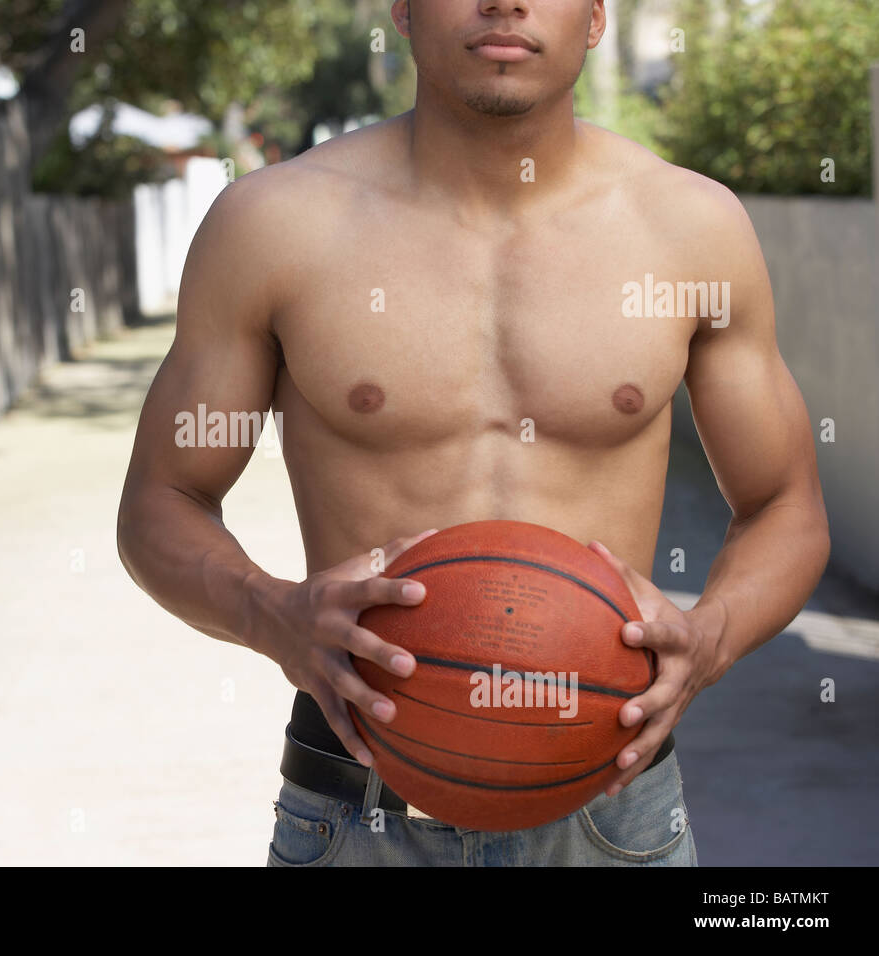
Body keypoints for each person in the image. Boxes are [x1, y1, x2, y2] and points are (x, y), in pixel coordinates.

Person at [115, 0, 829, 866]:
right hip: (358, 806)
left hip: (611, 807)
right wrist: (273, 614)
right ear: (403, 10)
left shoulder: (688, 230)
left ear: (597, 17)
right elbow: (163, 499)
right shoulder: (273, 225)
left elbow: (784, 503)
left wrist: (709, 637)